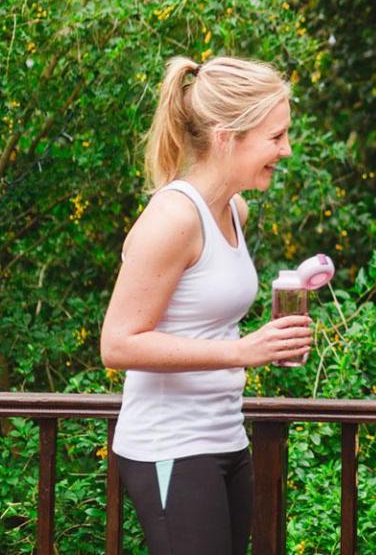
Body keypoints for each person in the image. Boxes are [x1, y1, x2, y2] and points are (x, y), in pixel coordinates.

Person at [101, 56, 313, 555]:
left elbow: (204, 319)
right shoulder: (173, 217)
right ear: (226, 137)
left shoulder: (234, 209)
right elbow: (117, 344)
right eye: (276, 136)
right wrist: (242, 352)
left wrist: (271, 336)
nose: (286, 149)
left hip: (225, 437)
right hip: (170, 445)